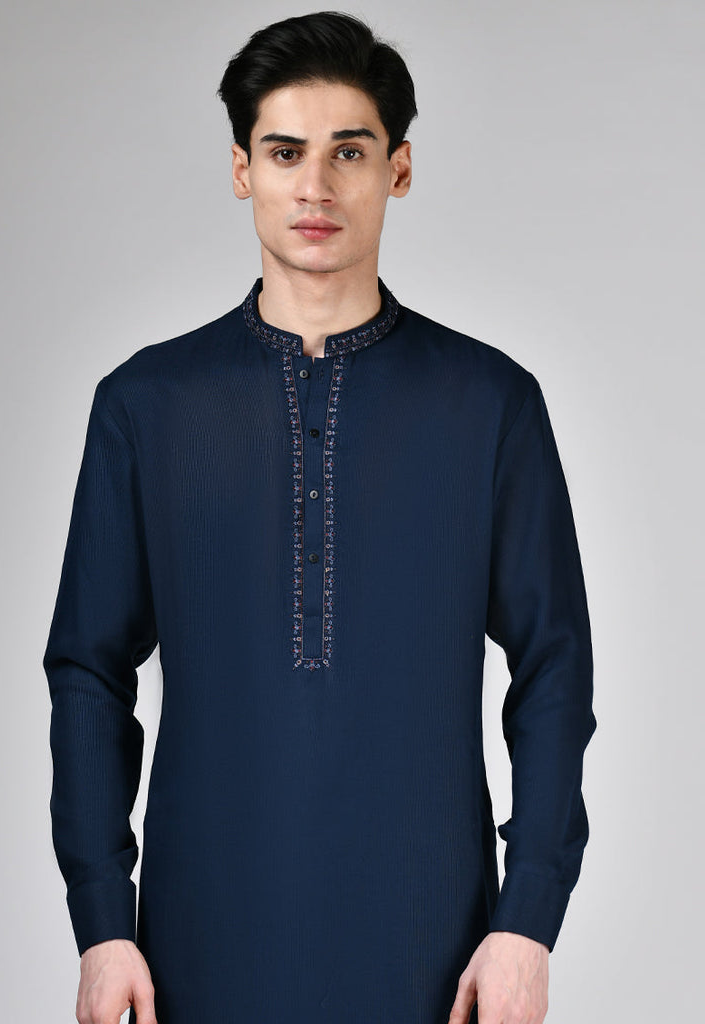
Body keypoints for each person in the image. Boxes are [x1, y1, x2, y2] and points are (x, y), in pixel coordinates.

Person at [43, 11, 596, 1024]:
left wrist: (527, 920)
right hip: (196, 943)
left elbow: (554, 664)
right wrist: (101, 922)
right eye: (284, 152)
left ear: (398, 169)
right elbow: (87, 667)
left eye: (348, 151)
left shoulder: (487, 403)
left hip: (434, 949)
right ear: (241, 170)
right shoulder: (146, 405)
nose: (315, 187)